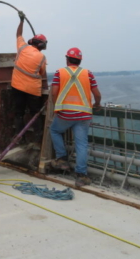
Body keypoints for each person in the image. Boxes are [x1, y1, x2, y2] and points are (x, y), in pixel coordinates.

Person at [49, 47, 102, 187]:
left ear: (67, 59)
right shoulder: (88, 73)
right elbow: (97, 94)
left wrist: (57, 107)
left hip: (65, 113)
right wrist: (97, 104)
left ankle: (62, 159)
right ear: (80, 60)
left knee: (54, 130)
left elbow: (53, 92)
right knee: (81, 144)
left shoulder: (59, 73)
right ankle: (81, 176)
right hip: (84, 114)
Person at [11, 11, 48, 140]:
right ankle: (38, 138)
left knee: (19, 113)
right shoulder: (41, 57)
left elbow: (18, 34)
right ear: (42, 45)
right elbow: (42, 74)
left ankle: (20, 137)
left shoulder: (22, 48)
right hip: (33, 90)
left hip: (17, 87)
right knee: (35, 114)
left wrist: (21, 21)